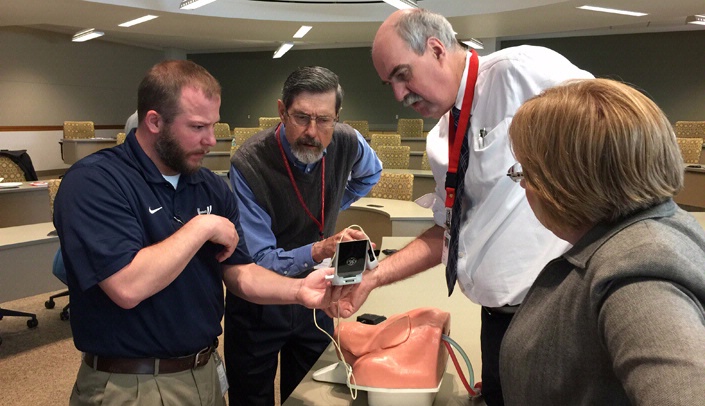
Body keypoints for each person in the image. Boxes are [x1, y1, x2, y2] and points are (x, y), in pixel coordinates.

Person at [330, 8, 592, 405]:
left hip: (555, 320)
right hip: (498, 320)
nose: (400, 95)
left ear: (436, 49)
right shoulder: (442, 139)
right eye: (390, 84)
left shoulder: (519, 72)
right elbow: (447, 233)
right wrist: (372, 277)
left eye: (403, 74)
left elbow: (616, 126)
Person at [54, 60, 340, 406]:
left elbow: (240, 275)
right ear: (154, 121)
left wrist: (299, 291)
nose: (211, 140)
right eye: (197, 127)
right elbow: (127, 286)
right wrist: (203, 227)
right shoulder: (96, 182)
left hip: (204, 373)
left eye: (214, 125)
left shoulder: (208, 187)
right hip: (132, 383)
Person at [500, 78, 705, 405]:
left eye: (525, 171)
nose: (524, 184)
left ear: (563, 181)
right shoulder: (657, 226)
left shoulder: (639, 272)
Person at [225, 66, 382, 405]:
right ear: (282, 111)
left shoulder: (346, 140)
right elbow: (261, 259)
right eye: (301, 118)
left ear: (337, 117)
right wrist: (319, 248)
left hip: (318, 296)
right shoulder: (249, 163)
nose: (312, 131)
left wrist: (333, 201)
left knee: (311, 393)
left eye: (324, 120)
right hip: (260, 300)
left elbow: (372, 173)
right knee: (251, 398)